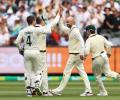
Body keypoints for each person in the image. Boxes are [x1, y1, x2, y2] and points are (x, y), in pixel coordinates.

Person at [15, 12, 60, 97]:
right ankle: (40, 88)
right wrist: (54, 17)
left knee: (28, 72)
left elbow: (16, 42)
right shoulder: (37, 29)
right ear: (33, 21)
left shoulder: (23, 30)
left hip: (27, 52)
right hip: (37, 52)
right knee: (40, 71)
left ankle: (29, 91)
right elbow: (49, 30)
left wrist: (20, 49)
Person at [50, 16, 93, 96]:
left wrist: (81, 53)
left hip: (75, 55)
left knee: (66, 73)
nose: (67, 23)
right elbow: (62, 28)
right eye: (66, 22)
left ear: (72, 22)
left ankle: (58, 90)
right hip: (76, 55)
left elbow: (82, 41)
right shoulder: (71, 29)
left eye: (68, 22)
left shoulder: (75, 31)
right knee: (82, 73)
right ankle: (88, 90)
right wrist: (60, 17)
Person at [84, 25, 120, 96]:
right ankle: (118, 76)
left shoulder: (89, 40)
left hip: (97, 58)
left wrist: (83, 56)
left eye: (87, 31)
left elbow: (86, 52)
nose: (86, 33)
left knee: (97, 76)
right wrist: (109, 53)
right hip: (104, 56)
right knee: (108, 73)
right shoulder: (101, 37)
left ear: (90, 31)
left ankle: (103, 92)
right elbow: (109, 46)